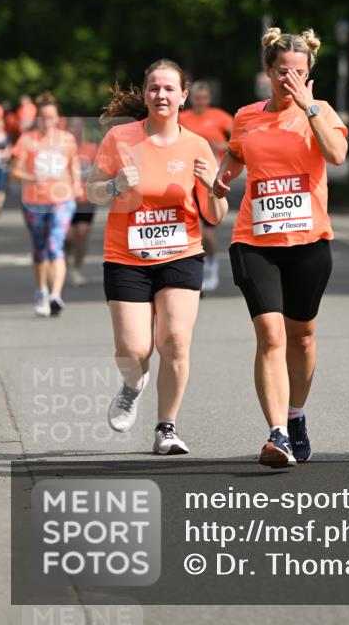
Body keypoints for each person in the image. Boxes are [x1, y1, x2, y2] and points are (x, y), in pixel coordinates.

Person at [213, 28, 348, 467]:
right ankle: (277, 435)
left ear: (309, 75)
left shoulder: (321, 111)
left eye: (299, 72)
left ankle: (296, 414)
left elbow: (337, 154)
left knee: (302, 337)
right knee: (271, 335)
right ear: (268, 72)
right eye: (283, 71)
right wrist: (222, 174)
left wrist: (310, 108)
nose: (290, 79)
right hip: (255, 240)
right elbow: (236, 153)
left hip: (308, 241)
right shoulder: (246, 116)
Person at [87, 59, 228, 456]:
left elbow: (216, 215)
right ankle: (133, 385)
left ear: (183, 96)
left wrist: (211, 187)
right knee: (133, 351)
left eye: (169, 88)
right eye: (154, 88)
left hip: (181, 253)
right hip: (126, 257)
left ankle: (166, 427)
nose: (161, 95)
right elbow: (91, 191)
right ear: (145, 94)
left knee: (175, 341)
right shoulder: (120, 138)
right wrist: (113, 185)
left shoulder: (197, 145)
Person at [10, 92, 81, 316]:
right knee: (40, 248)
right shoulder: (26, 140)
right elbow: (14, 173)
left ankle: (55, 295)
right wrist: (32, 178)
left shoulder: (67, 139)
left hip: (62, 200)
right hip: (34, 202)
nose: (47, 121)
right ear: (37, 118)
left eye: (51, 117)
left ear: (58, 118)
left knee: (54, 244)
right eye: (42, 117)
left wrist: (77, 185)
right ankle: (42, 289)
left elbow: (74, 164)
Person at [179, 81, 233, 293]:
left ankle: (211, 263)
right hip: (186, 178)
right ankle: (194, 268)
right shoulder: (183, 118)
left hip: (210, 178)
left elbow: (239, 139)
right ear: (190, 99)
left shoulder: (219, 116)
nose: (200, 101)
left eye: (203, 97)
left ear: (209, 99)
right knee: (193, 228)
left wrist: (221, 146)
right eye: (196, 97)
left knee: (208, 233)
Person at [64, 117, 99, 286]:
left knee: (82, 234)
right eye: (73, 127)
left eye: (79, 127)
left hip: (86, 199)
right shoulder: (64, 148)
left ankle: (76, 269)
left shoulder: (92, 148)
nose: (76, 130)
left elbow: (101, 170)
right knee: (68, 237)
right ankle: (65, 262)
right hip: (67, 198)